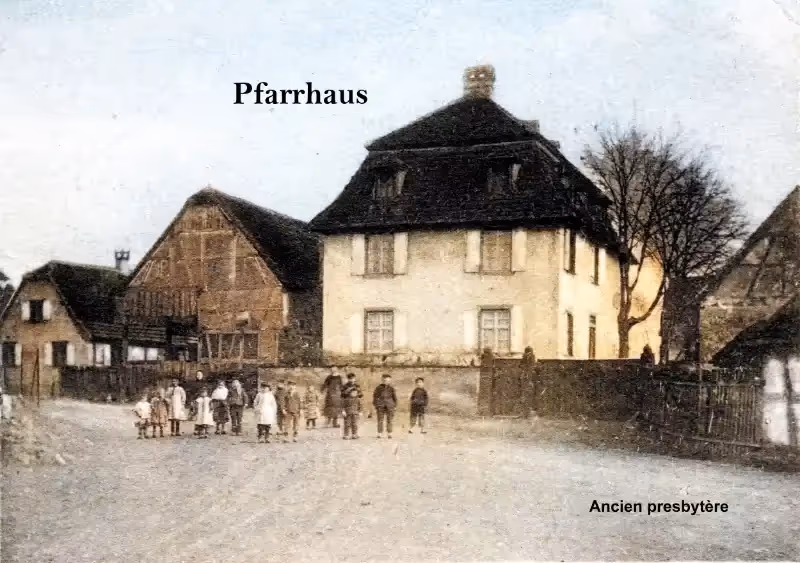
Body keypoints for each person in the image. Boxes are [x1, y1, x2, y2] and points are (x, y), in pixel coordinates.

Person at [372, 374, 398, 439]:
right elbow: (375, 397)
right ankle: (379, 433)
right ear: (382, 380)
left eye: (388, 380)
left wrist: (395, 406)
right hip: (380, 405)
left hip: (390, 405)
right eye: (385, 380)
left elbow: (395, 397)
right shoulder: (378, 388)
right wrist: (376, 405)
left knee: (389, 420)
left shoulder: (391, 388)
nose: (386, 382)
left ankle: (389, 433)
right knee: (380, 419)